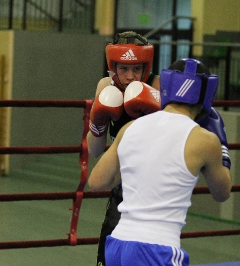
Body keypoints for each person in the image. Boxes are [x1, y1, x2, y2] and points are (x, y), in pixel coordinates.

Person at [88, 58, 232, 265]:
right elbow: (222, 193)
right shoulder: (206, 140)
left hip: (117, 244)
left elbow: (97, 182)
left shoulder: (130, 128)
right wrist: (223, 150)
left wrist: (137, 171)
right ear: (207, 92)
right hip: (157, 248)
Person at [87, 31, 161, 265]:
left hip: (153, 188)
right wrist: (97, 124)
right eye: (123, 69)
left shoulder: (157, 85)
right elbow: (95, 151)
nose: (130, 76)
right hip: (121, 185)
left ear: (146, 67)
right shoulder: (105, 86)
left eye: (137, 69)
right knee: (111, 257)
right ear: (113, 66)